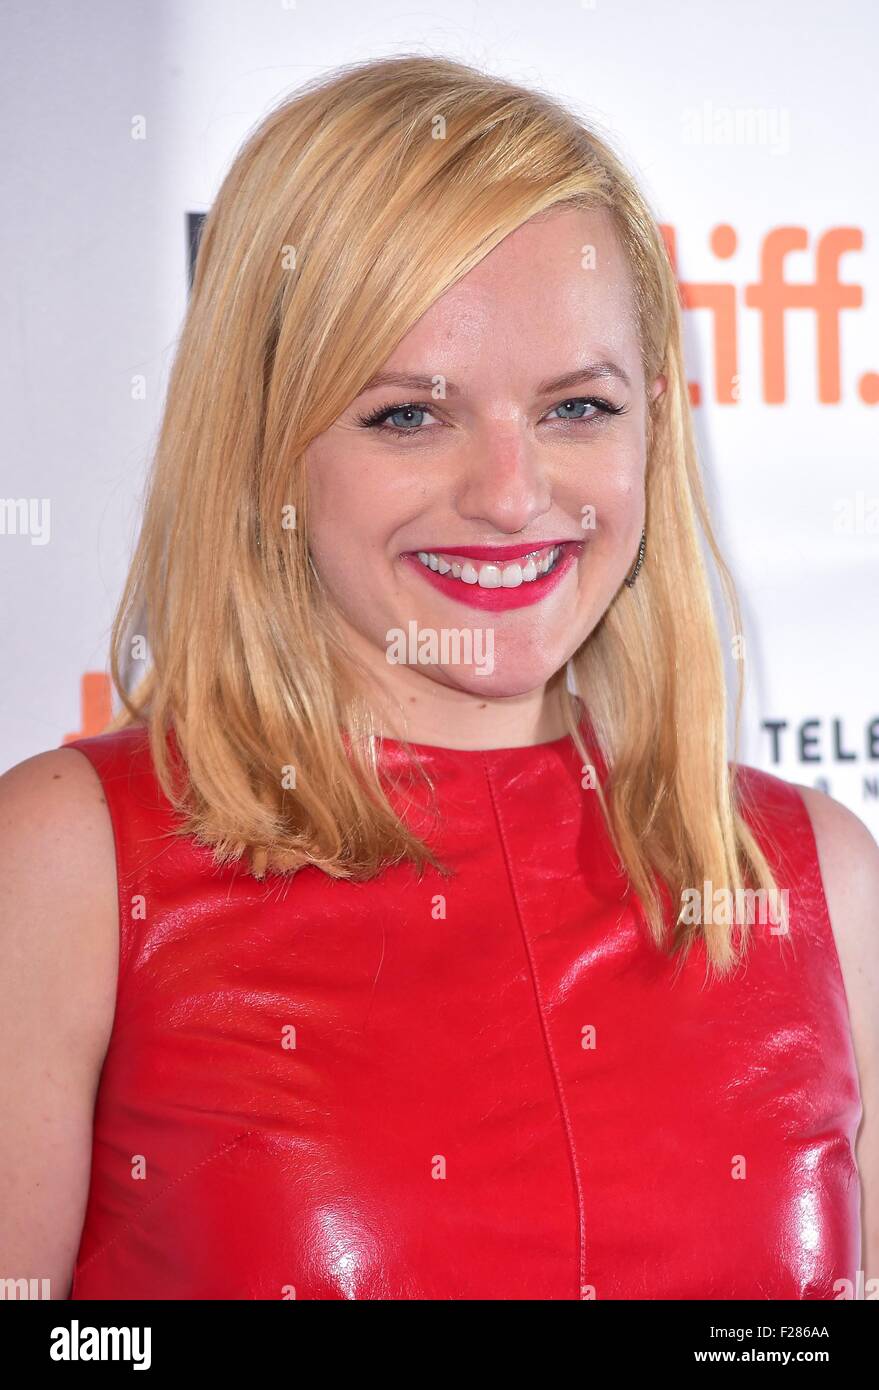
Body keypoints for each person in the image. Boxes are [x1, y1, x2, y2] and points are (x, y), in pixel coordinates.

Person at [1, 54, 876, 1301]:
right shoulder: (69, 866)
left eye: (578, 406)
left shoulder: (813, 879)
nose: (513, 497)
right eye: (410, 415)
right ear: (262, 450)